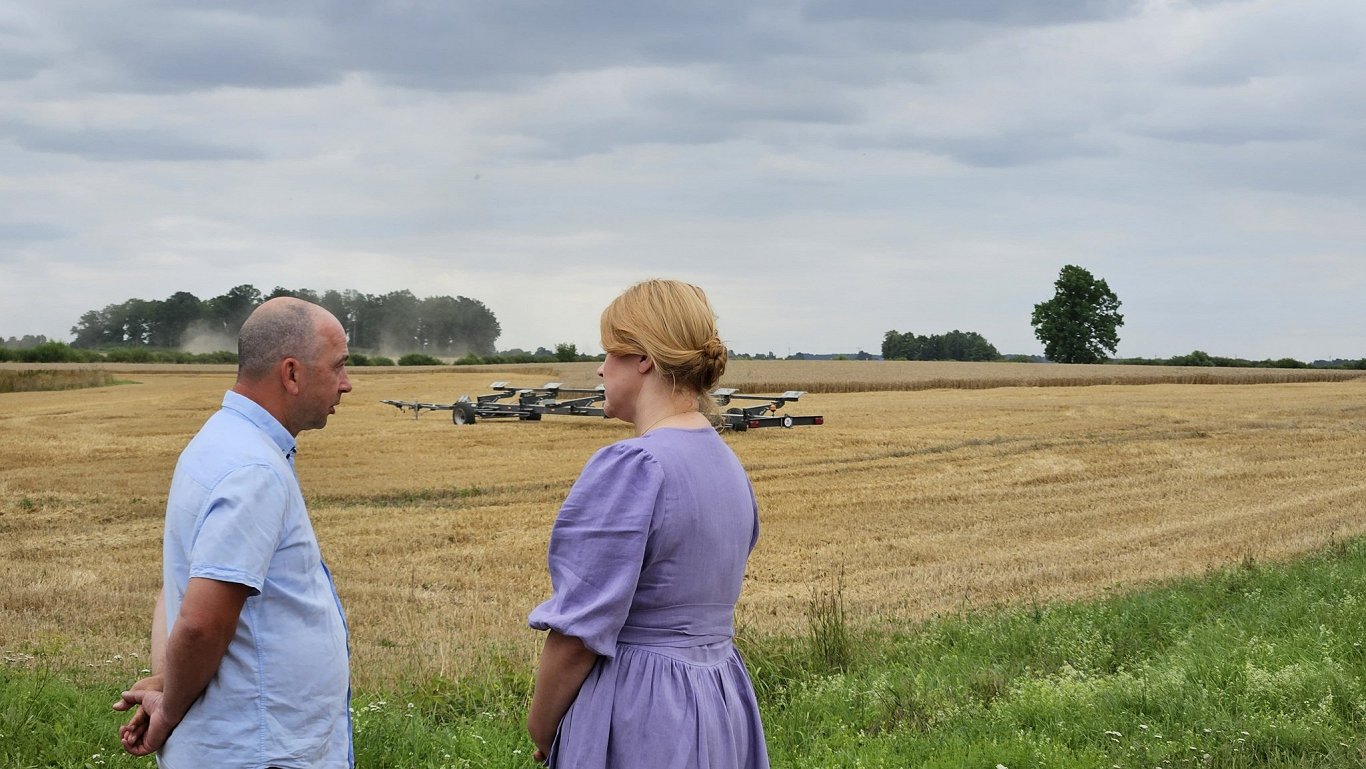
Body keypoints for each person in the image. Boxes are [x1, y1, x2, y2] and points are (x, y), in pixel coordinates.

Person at [527, 279, 770, 768]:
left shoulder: (635, 465)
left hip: (644, 709)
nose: (599, 369)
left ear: (642, 358)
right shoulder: (726, 465)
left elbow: (577, 636)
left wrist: (544, 728)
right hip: (719, 700)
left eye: (608, 354)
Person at [113, 296, 354, 768]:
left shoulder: (221, 442)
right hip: (259, 748)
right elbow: (203, 623)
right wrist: (169, 708)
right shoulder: (252, 469)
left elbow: (176, 588)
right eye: (339, 366)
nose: (347, 384)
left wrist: (167, 682)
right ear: (292, 373)